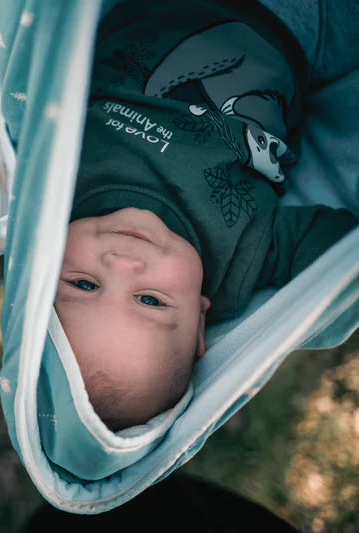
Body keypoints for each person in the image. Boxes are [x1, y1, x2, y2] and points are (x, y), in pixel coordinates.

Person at [54, 0, 358, 430]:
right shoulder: (240, 262)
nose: (121, 263)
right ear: (199, 322)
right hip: (298, 30)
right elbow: (331, 259)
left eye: (84, 284)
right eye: (150, 299)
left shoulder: (57, 195)